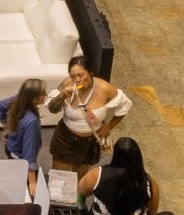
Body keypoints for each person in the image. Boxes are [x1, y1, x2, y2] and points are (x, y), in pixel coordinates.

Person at [45, 60, 130, 191]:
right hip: (66, 139)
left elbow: (125, 105)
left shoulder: (104, 88)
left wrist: (110, 126)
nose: (76, 80)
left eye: (80, 75)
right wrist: (61, 96)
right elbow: (52, 108)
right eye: (73, 76)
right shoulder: (67, 84)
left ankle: (77, 206)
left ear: (90, 72)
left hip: (90, 142)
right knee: (59, 178)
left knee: (80, 180)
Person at [1, 79, 47, 193]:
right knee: (18, 190)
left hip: (11, 148)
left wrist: (7, 128)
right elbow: (29, 153)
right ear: (34, 99)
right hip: (20, 160)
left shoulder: (18, 103)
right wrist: (32, 182)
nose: (46, 95)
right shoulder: (31, 122)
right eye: (43, 93)